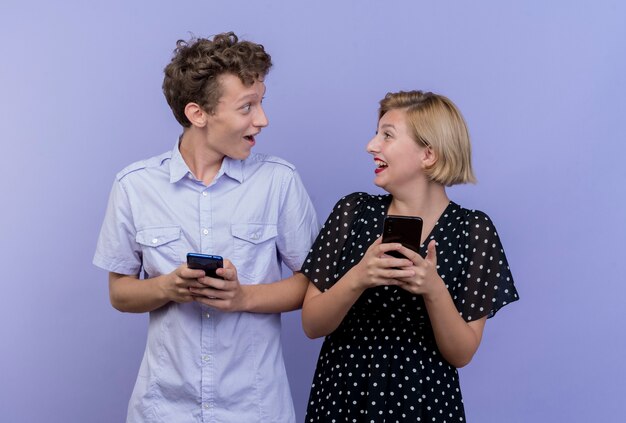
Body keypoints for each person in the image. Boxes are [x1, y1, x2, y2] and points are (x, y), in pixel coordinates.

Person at [93, 32, 319, 422]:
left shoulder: (279, 181)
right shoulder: (134, 185)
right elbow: (120, 293)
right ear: (198, 114)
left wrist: (242, 298)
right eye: (247, 106)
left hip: (255, 408)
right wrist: (168, 287)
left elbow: (311, 285)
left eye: (261, 102)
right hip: (162, 409)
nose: (262, 119)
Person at [300, 90, 519, 421]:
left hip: (424, 402)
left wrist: (434, 289)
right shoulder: (352, 212)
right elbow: (312, 324)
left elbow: (461, 353)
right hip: (342, 396)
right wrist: (359, 277)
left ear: (428, 154)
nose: (371, 145)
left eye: (387, 135)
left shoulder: (474, 230)